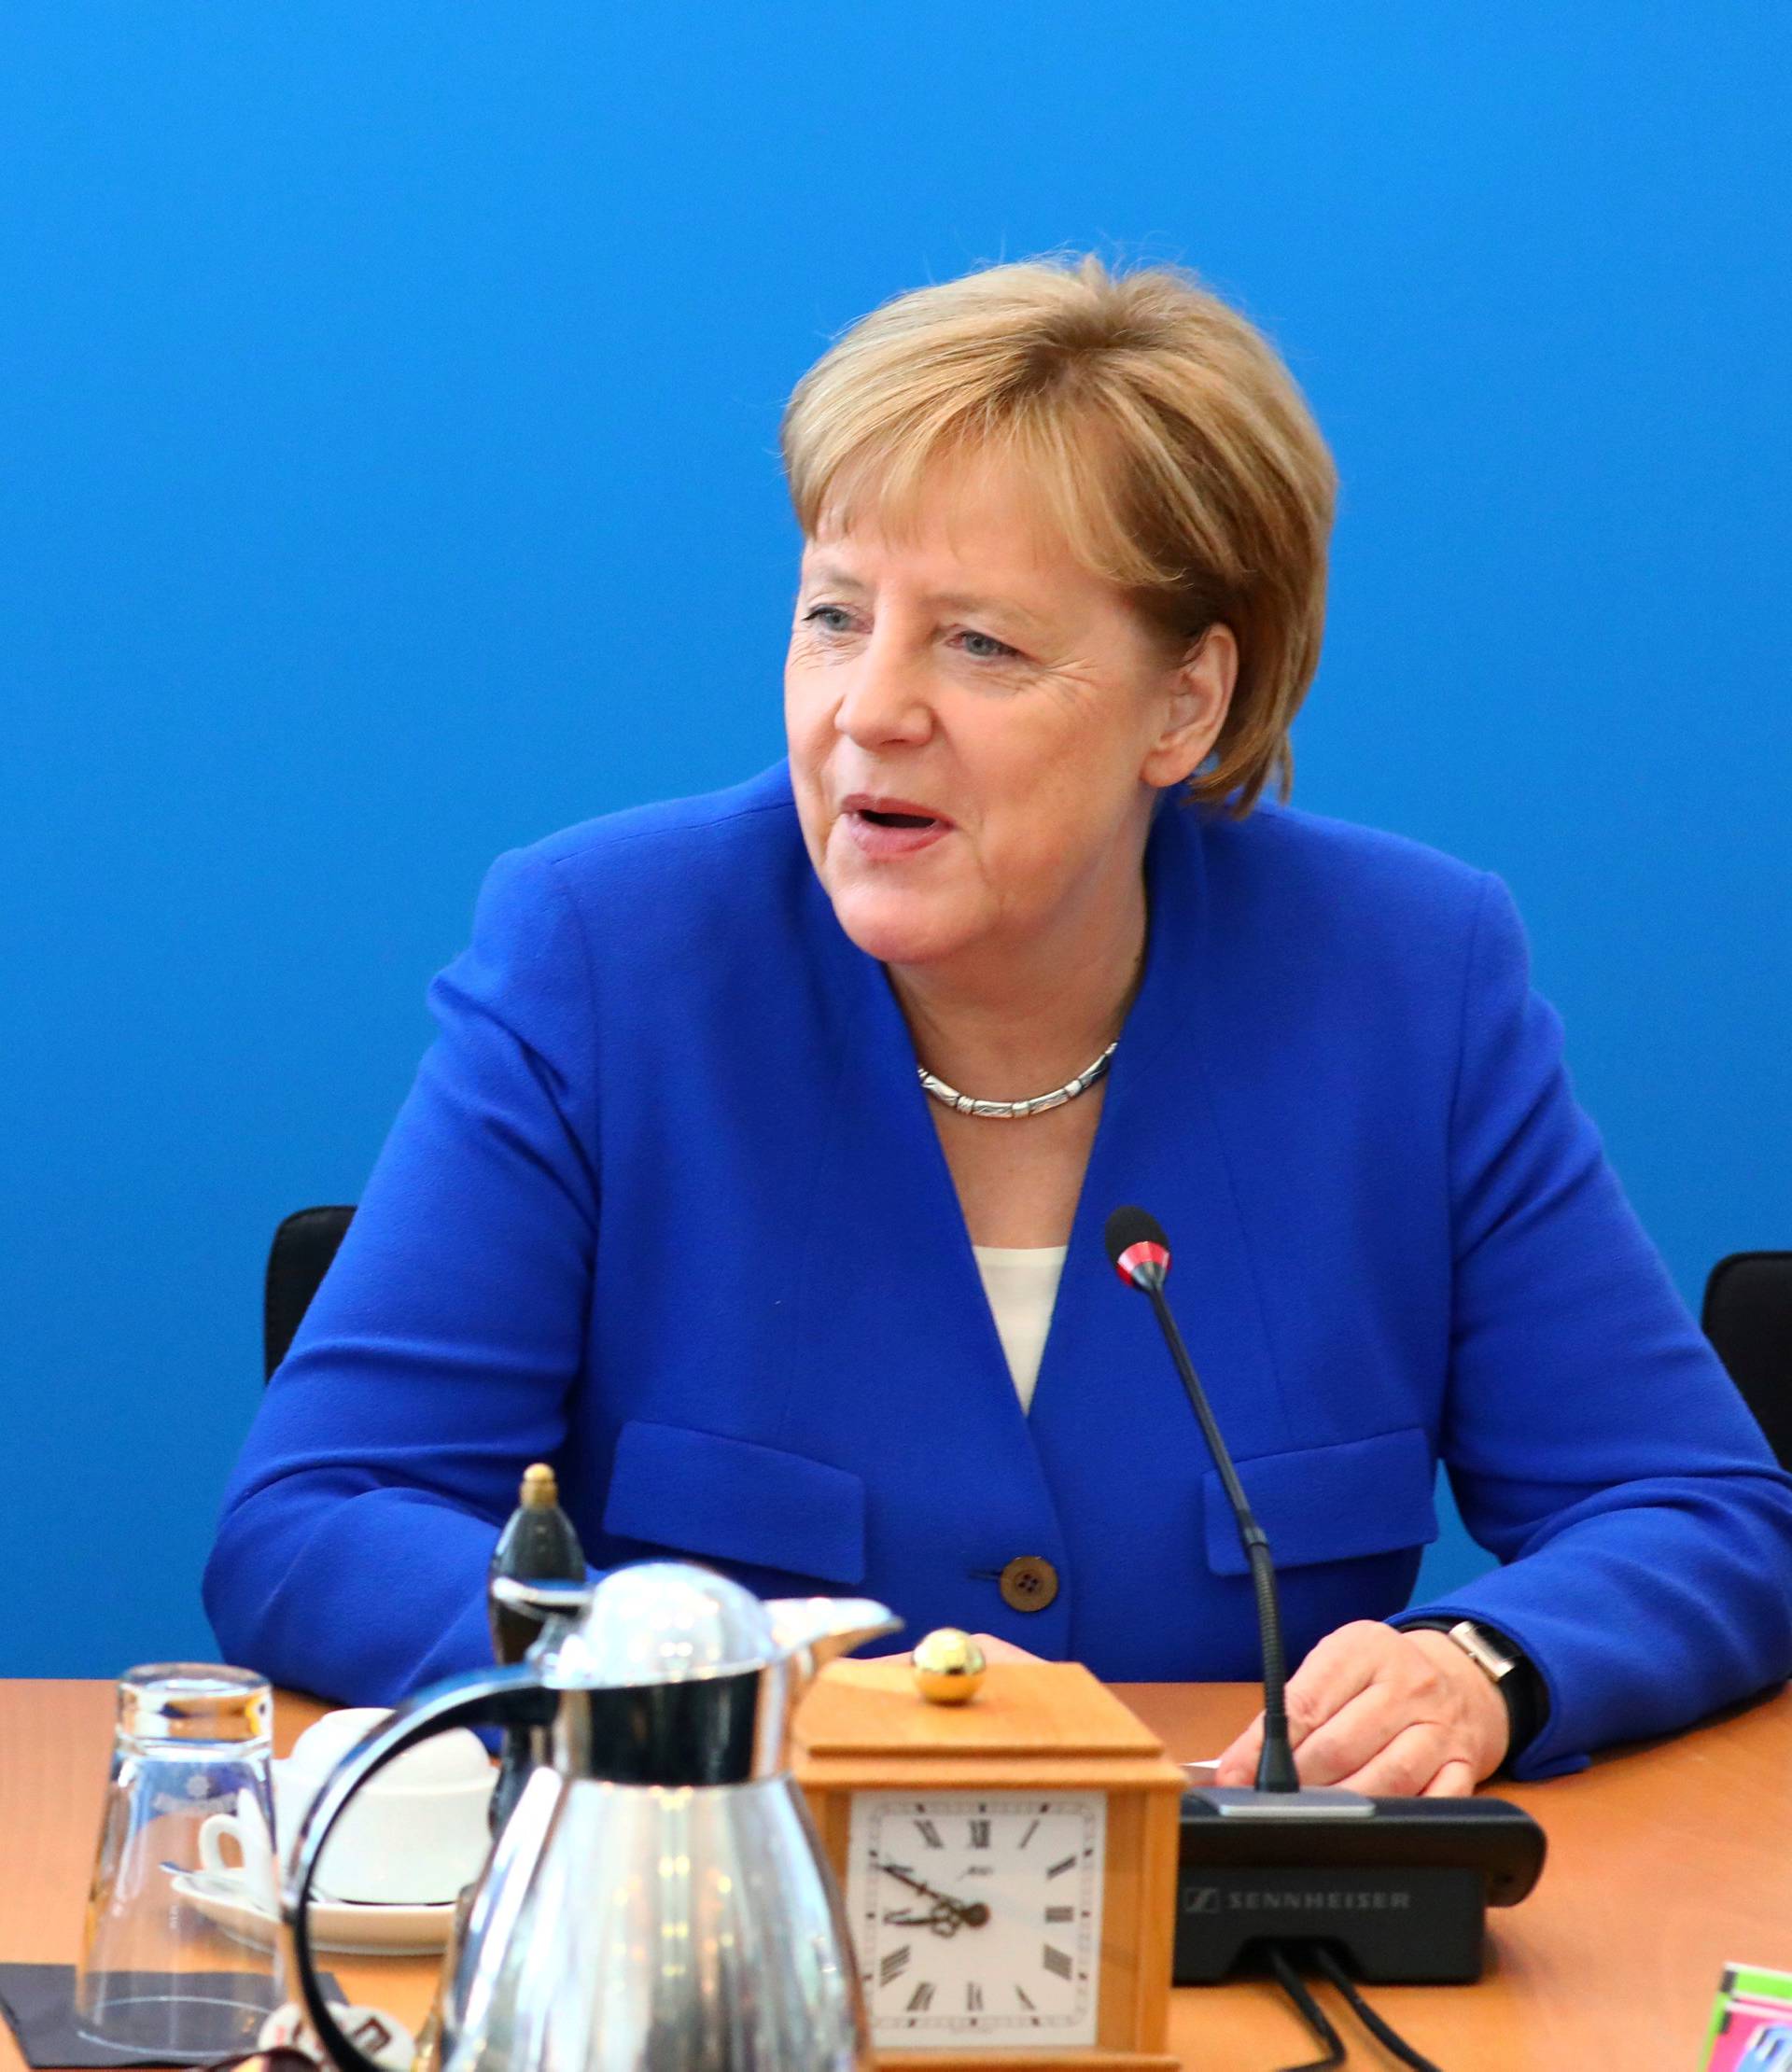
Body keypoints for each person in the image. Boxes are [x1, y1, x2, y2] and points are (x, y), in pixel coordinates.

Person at [203, 251, 1792, 1794]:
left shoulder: (1406, 984)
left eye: (979, 643)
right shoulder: (610, 958)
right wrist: (683, 1673)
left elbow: (1698, 1510)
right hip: (741, 1941)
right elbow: (322, 1512)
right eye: (835, 616)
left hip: (1232, 1967)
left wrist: (1484, 1668)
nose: (867, 711)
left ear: (1189, 705)